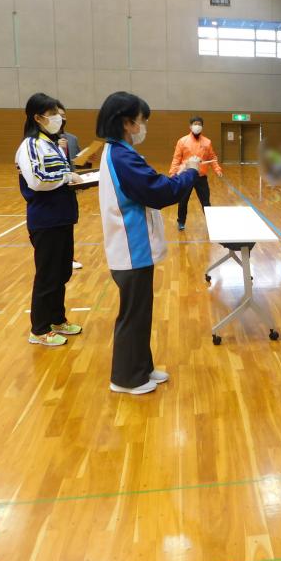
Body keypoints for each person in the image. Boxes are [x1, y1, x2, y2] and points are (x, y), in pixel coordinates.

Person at [98, 92, 201, 395]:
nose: (144, 126)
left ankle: (140, 367)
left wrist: (179, 174)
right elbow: (158, 192)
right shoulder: (121, 155)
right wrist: (191, 172)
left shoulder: (119, 152)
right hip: (131, 248)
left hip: (133, 247)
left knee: (140, 313)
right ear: (128, 123)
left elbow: (151, 184)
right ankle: (126, 378)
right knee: (133, 315)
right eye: (141, 121)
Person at [15, 93, 84, 348]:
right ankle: (39, 329)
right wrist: (67, 178)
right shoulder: (31, 145)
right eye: (53, 113)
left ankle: (57, 319)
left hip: (63, 217)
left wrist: (77, 179)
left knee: (61, 271)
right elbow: (37, 180)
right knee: (47, 275)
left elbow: (59, 174)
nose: (58, 118)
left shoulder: (51, 143)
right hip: (45, 220)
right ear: (38, 117)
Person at [169, 116, 223, 231]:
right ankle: (181, 222)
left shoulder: (207, 142)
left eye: (199, 124)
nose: (197, 126)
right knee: (182, 201)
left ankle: (211, 223)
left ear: (202, 127)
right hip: (186, 176)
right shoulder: (182, 141)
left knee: (206, 202)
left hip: (201, 177)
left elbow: (212, 157)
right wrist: (173, 172)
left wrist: (217, 169)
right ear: (190, 126)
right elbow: (176, 158)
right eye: (195, 124)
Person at [54, 102, 84, 271]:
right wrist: (58, 149)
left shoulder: (72, 139)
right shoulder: (43, 143)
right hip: (54, 189)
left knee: (69, 225)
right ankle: (57, 258)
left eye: (64, 115)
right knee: (56, 228)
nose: (62, 118)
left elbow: (77, 163)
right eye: (58, 115)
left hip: (70, 190)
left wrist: (88, 160)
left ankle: (69, 257)